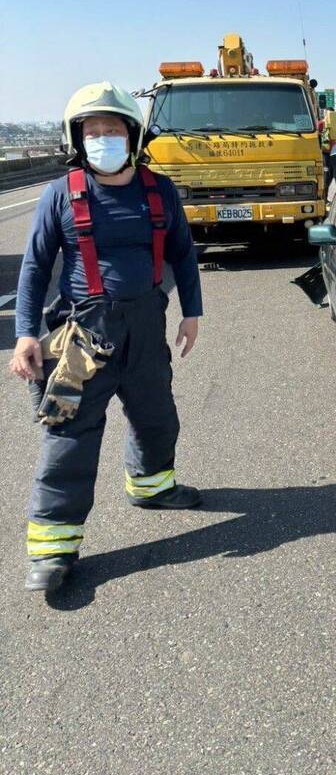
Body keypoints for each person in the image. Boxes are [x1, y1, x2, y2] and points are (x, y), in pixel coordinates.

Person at [9, 81, 204, 594]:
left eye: (111, 129)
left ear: (132, 136)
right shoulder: (61, 194)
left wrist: (192, 313)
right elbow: (34, 269)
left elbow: (183, 254)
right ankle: (53, 548)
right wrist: (25, 334)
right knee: (69, 437)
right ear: (77, 139)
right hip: (82, 334)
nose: (101, 138)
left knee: (157, 418)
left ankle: (152, 486)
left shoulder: (159, 190)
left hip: (146, 326)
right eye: (92, 131)